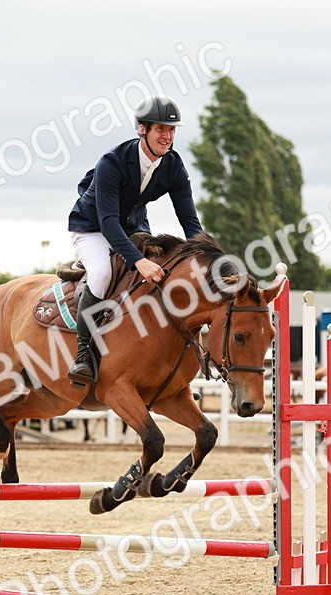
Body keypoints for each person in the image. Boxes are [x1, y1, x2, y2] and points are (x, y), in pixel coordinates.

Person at [65, 94, 204, 387]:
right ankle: (83, 355)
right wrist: (138, 261)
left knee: (163, 272)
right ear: (142, 129)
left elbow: (189, 222)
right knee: (102, 273)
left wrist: (208, 260)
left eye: (171, 130)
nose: (167, 136)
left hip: (132, 228)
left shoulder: (174, 166)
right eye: (160, 129)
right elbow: (108, 222)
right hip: (92, 227)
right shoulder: (112, 162)